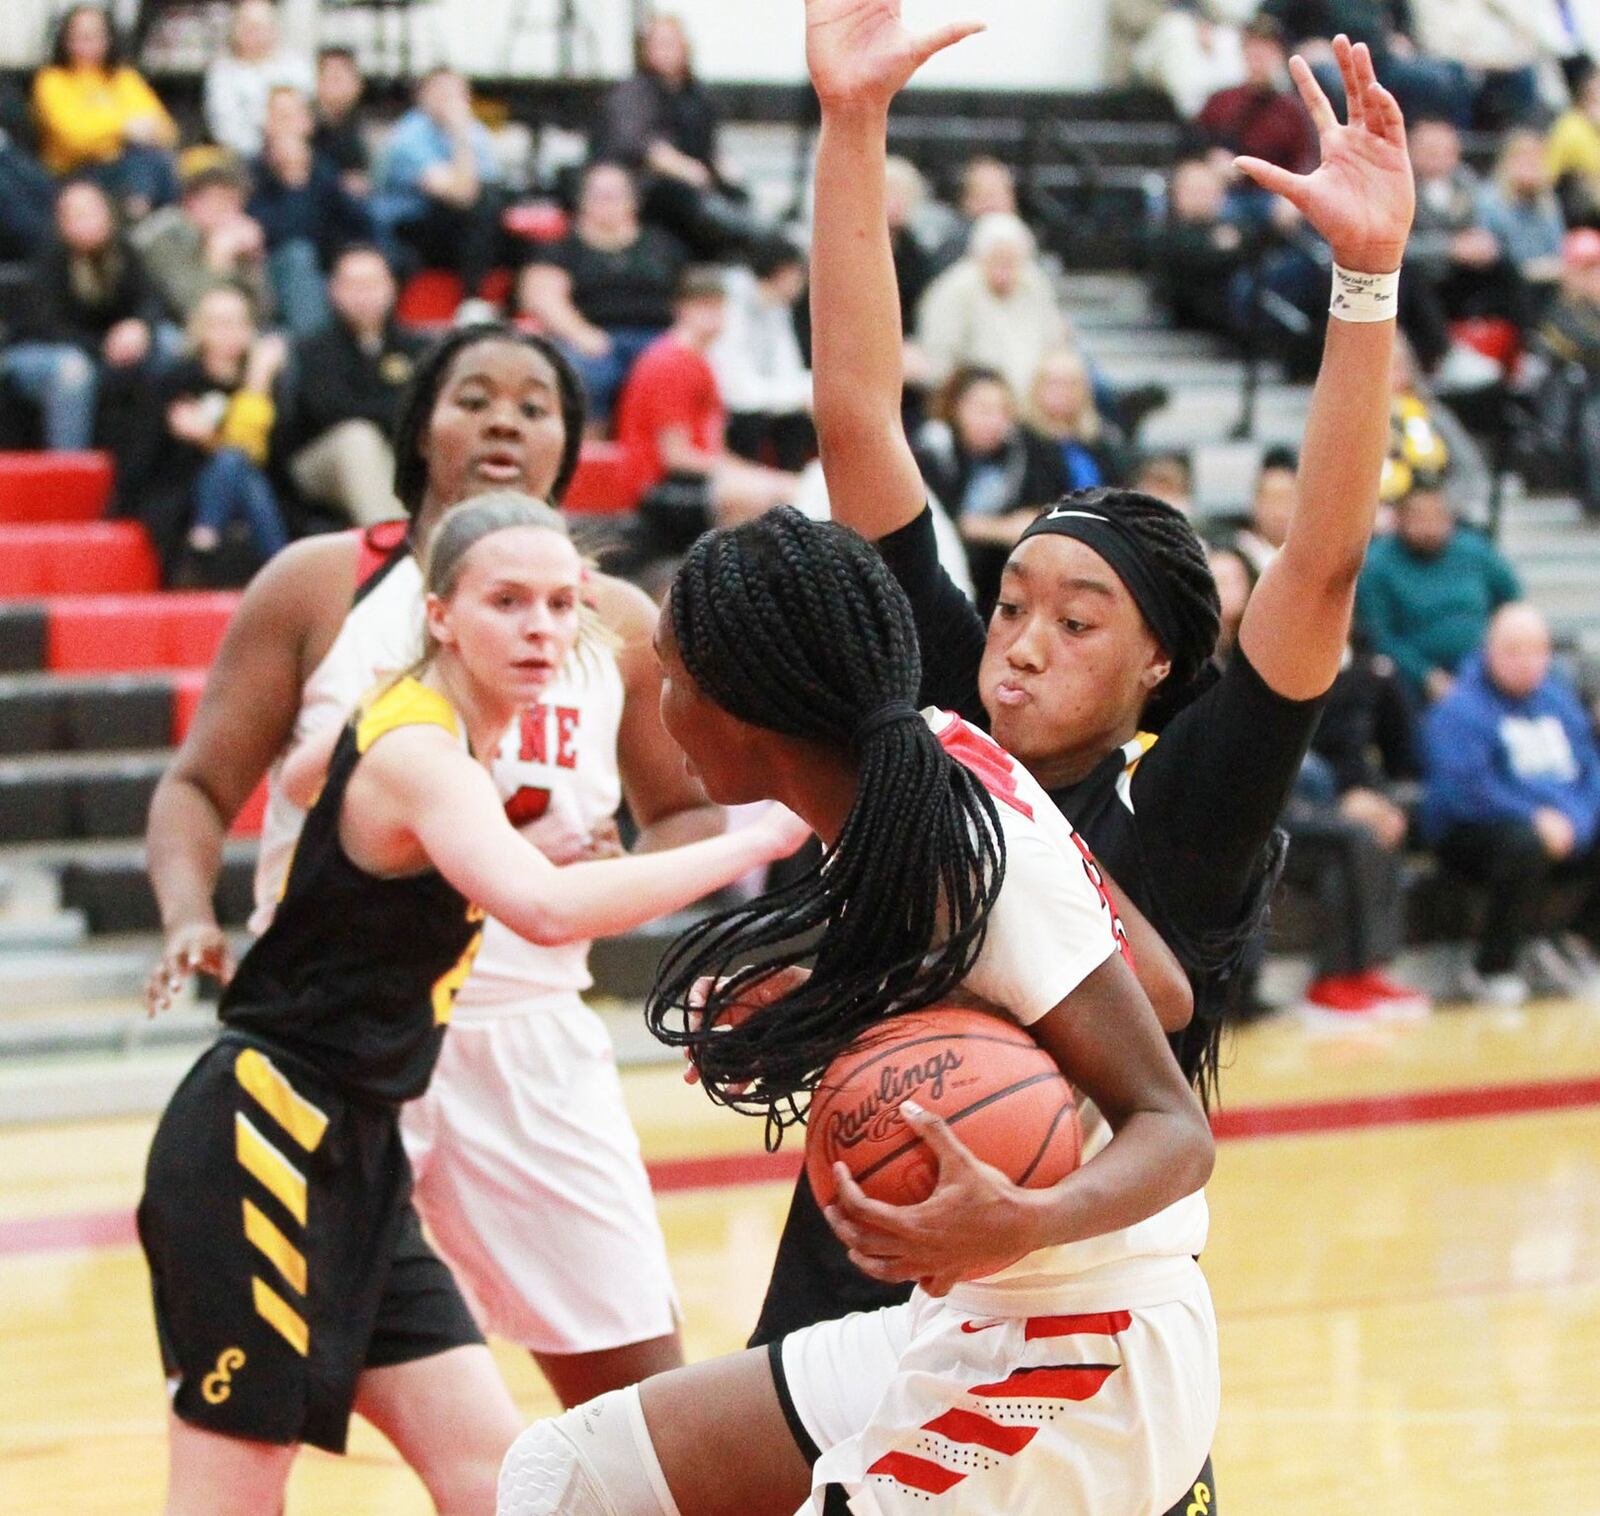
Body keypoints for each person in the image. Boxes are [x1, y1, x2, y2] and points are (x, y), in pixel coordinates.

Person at [751, 19, 1413, 1516]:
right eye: (1015, 603)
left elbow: (1320, 567)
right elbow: (859, 412)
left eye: (1077, 618)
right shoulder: (933, 715)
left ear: (1160, 669)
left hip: (1072, 1305)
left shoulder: (1183, 807)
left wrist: (1363, 282)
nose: (1021, 641)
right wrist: (852, 120)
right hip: (872, 1248)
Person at [500, 499, 1217, 1516]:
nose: (657, 709)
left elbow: (1175, 1129)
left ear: (745, 706)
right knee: (563, 1473)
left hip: (1082, 1345)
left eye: (671, 677)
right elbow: (1158, 981)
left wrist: (1031, 1209)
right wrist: (848, 1002)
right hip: (973, 1320)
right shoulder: (928, 756)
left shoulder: (961, 844)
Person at [139, 491, 805, 1516]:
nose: (539, 627)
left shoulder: (417, 726)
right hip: (265, 1138)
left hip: (358, 1156)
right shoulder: (423, 753)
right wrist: (759, 839)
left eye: (558, 604)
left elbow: (312, 773)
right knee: (231, 1493)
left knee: (498, 1477)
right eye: (506, 602)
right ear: (441, 614)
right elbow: (540, 907)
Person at [145, 321, 728, 1414]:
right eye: (474, 397)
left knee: (641, 1406)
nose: (504, 418)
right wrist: (188, 913)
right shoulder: (320, 586)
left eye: (534, 402)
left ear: (569, 443)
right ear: (421, 430)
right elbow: (198, 786)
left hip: (531, 1039)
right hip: (342, 1048)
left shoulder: (619, 623)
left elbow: (688, 815)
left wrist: (633, 871)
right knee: (336, 1415)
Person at [1421, 601, 1600, 1005]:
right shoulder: (1459, 707)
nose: (1526, 662)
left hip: (1560, 824)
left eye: (1537, 651)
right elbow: (1466, 791)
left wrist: (1575, 820)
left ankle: (1577, 941)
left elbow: (1590, 768)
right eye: (1514, 650)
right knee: (1524, 843)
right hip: (1472, 831)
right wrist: (1537, 819)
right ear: (1489, 650)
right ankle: (1492, 967)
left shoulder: (1558, 702)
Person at [615, 270, 799, 560]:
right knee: (777, 495)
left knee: (785, 487)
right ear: (683, 309)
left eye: (720, 307)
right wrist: (749, 475)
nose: (716, 317)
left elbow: (710, 446)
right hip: (657, 486)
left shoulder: (700, 361)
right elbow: (675, 455)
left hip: (688, 477)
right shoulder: (671, 363)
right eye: (706, 307)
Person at [126, 285, 291, 582]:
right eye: (219, 323)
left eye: (238, 323)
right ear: (199, 329)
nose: (229, 333)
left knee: (236, 464)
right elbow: (149, 462)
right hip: (183, 496)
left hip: (260, 492)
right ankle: (282, 576)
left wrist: (256, 383)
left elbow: (261, 454)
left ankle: (204, 542)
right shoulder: (175, 380)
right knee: (232, 462)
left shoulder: (269, 382)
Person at [516, 161, 687, 427]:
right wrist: (581, 334)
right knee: (583, 372)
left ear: (633, 201)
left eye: (615, 194)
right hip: (592, 338)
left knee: (683, 371)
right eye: (598, 194)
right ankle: (588, 455)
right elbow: (541, 297)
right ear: (582, 200)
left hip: (658, 340)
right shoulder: (560, 248)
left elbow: (688, 296)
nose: (607, 202)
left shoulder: (662, 246)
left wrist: (679, 340)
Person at [1, 176, 160, 453]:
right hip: (34, 353)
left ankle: (151, 470)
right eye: (75, 214)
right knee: (72, 371)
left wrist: (141, 326)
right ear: (60, 221)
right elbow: (45, 328)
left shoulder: (123, 251)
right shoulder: (49, 259)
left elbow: (152, 299)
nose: (85, 221)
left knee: (171, 344)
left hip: (103, 349)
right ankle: (70, 474)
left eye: (91, 211)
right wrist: (103, 346)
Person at [275, 244, 429, 528]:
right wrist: (395, 409)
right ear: (334, 290)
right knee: (358, 436)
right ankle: (391, 549)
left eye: (372, 284)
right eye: (353, 285)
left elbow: (425, 408)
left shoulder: (418, 348)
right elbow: (332, 409)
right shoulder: (313, 348)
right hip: (319, 461)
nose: (363, 295)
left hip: (395, 455)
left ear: (391, 287)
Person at [912, 366, 1070, 610]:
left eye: (1002, 411)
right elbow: (940, 525)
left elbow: (1040, 520)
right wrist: (997, 528)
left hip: (1002, 578)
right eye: (983, 409)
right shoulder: (932, 451)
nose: (994, 420)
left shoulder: (1027, 451)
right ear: (956, 409)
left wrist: (978, 527)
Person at [1355, 483, 1522, 703]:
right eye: (1419, 516)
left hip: (1485, 664)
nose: (1429, 525)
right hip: (1415, 677)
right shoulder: (1378, 564)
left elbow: (1514, 602)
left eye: (1437, 514)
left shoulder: (1474, 550)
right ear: (1399, 518)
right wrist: (1426, 676)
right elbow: (1378, 637)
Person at [247, 87, 374, 335]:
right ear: (266, 124)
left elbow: (359, 225)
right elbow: (277, 233)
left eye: (293, 116)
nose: (287, 126)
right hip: (269, 274)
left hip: (327, 270)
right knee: (298, 256)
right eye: (279, 117)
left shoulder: (326, 169)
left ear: (308, 124)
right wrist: (293, 179)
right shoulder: (251, 173)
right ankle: (314, 348)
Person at [374, 68, 505, 307]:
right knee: (482, 202)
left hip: (459, 228)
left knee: (507, 217)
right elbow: (462, 195)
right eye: (442, 92)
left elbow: (489, 185)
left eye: (458, 94)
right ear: (422, 96)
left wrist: (462, 133)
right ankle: (472, 302)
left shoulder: (475, 131)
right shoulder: (408, 137)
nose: (451, 101)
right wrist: (460, 136)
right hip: (411, 229)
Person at [31, 4, 177, 216]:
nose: (87, 42)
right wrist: (123, 129)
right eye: (80, 36)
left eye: (95, 35)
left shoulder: (124, 78)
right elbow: (74, 137)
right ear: (65, 40)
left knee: (157, 160)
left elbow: (165, 130)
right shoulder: (51, 81)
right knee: (142, 163)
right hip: (74, 173)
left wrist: (124, 131)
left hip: (129, 163)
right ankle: (137, 221)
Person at [915, 212, 1071, 402]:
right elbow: (940, 356)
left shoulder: (1035, 284)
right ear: (979, 257)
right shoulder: (954, 290)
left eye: (1012, 260)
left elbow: (1053, 342)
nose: (1004, 270)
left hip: (1034, 401)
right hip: (972, 397)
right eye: (997, 259)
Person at [711, 236, 816, 472]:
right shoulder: (730, 302)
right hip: (728, 399)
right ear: (784, 272)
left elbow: (788, 368)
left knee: (798, 421)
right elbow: (734, 383)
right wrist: (794, 396)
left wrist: (805, 393)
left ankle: (792, 495)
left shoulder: (778, 307)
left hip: (762, 396)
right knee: (752, 421)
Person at [132, 154, 273, 328]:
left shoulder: (234, 239)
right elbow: (188, 310)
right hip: (170, 330)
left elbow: (264, 312)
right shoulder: (165, 235)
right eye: (220, 200)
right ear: (191, 201)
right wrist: (217, 260)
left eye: (235, 202)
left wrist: (253, 264)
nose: (230, 211)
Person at [1528, 225, 1600, 518]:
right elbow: (1574, 346)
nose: (1592, 277)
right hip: (1571, 393)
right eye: (1584, 269)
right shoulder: (1554, 307)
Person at [1197, 16, 1319, 177]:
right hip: (1224, 192)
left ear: (1279, 56)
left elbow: (1307, 160)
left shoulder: (1294, 111)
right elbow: (1193, 146)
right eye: (1252, 51)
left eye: (1265, 52)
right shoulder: (1220, 102)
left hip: (1276, 193)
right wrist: (1212, 158)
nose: (1257, 61)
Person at [202, 0, 315, 161]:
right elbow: (224, 128)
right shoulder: (222, 72)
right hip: (242, 158)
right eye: (247, 26)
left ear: (274, 29)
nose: (253, 33)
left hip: (296, 154)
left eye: (259, 27)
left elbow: (306, 118)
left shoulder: (297, 67)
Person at [1025, 346, 1134, 495]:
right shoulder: (1023, 441)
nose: (1063, 391)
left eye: (1071, 383)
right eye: (1054, 383)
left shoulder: (1101, 438)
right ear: (1037, 387)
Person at [312, 46, 372, 197]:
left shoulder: (372, 127)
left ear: (358, 84)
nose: (337, 84)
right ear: (318, 83)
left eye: (342, 77)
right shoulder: (305, 126)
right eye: (331, 77)